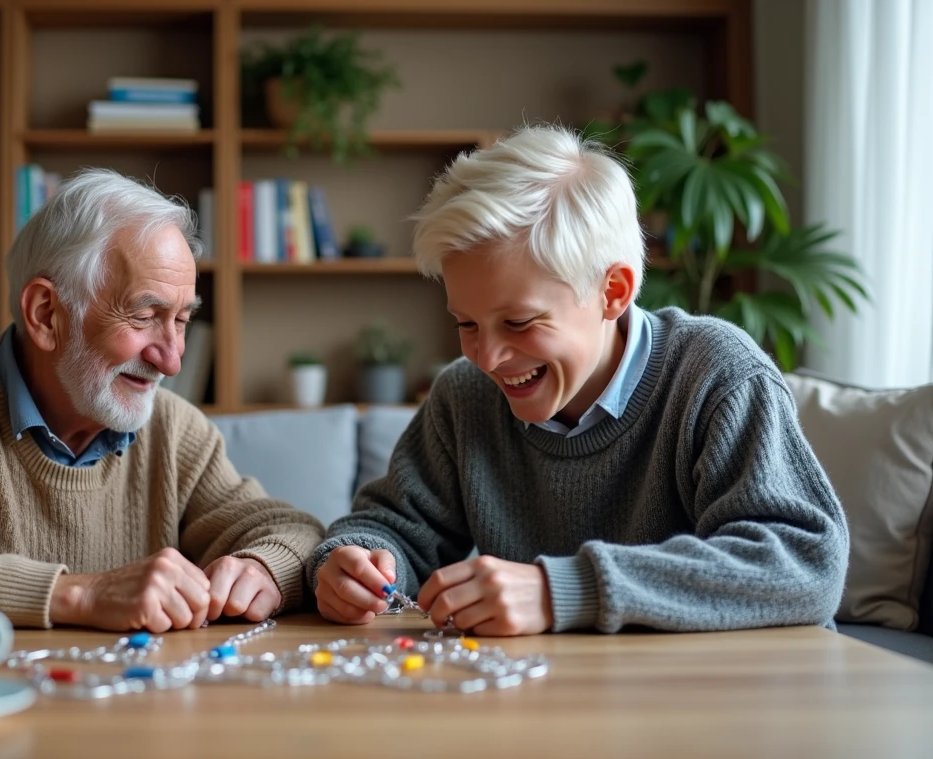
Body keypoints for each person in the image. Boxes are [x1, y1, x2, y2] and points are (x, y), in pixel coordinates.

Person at [308, 125, 849, 636]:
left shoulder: (716, 375)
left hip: (723, 707)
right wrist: (354, 564)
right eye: (466, 324)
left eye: (519, 322)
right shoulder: (464, 395)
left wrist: (561, 591)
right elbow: (394, 527)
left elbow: (805, 562)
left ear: (612, 292)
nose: (488, 357)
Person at [0, 168, 324, 632]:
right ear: (47, 314)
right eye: (144, 316)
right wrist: (79, 594)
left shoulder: (173, 429)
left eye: (182, 320)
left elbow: (295, 533)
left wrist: (262, 568)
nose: (172, 360)